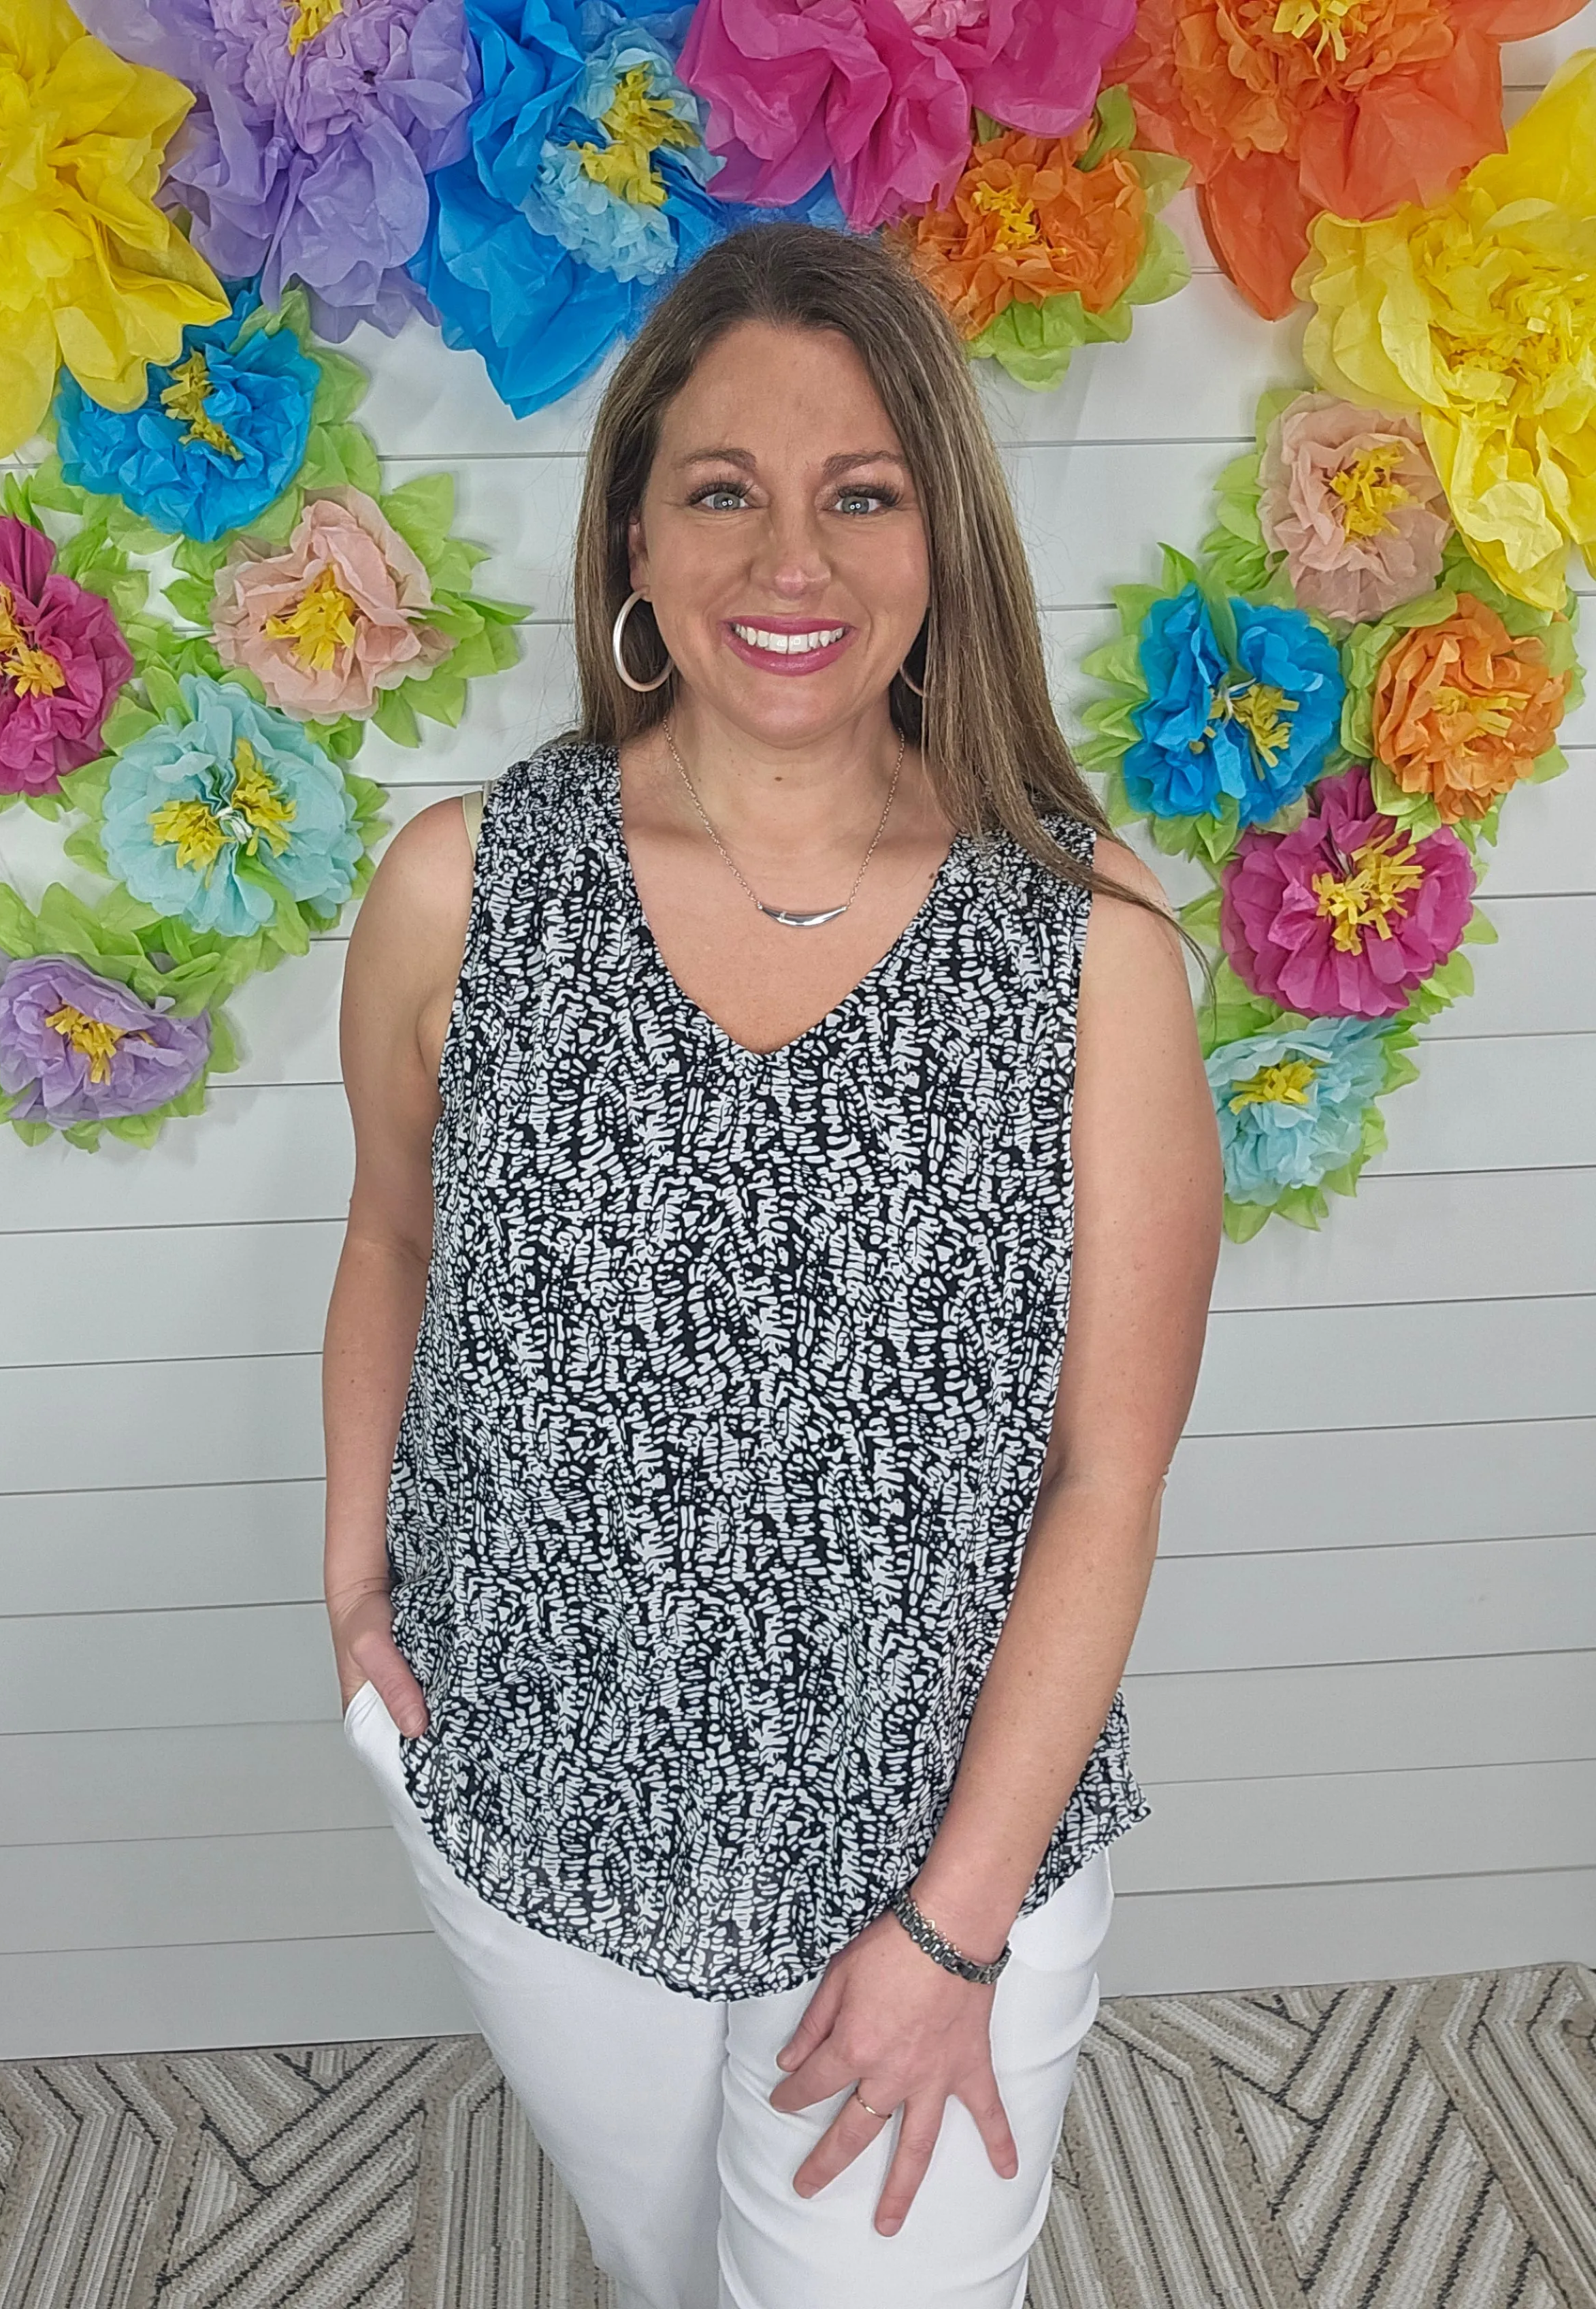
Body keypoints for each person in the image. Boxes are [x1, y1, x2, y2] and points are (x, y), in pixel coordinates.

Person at [323, 221, 1222, 2309]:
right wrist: (358, 1572)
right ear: (633, 527)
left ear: (942, 541)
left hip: (938, 1833)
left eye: (863, 493)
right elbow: (391, 1237)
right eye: (722, 489)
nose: (786, 561)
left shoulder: (1084, 943)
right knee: (663, 2266)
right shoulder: (463, 889)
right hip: (537, 1789)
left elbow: (1110, 1473)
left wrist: (953, 1933)